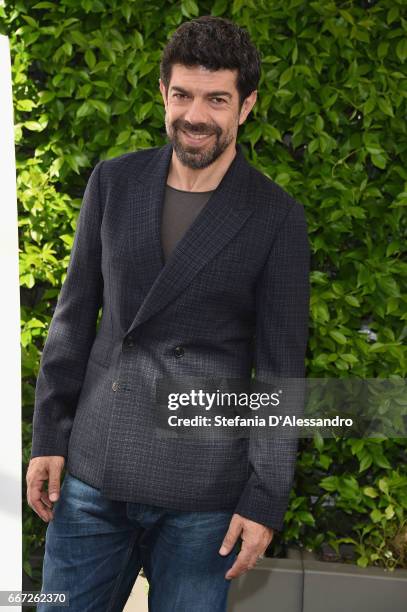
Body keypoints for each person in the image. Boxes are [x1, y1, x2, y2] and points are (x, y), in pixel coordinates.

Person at [26, 15, 310, 612]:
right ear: (163, 91)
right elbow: (73, 320)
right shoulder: (114, 181)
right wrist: (49, 435)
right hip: (92, 475)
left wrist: (263, 499)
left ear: (246, 105)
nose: (195, 115)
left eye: (217, 99)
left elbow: (282, 373)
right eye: (182, 93)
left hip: (203, 493)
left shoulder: (275, 216)